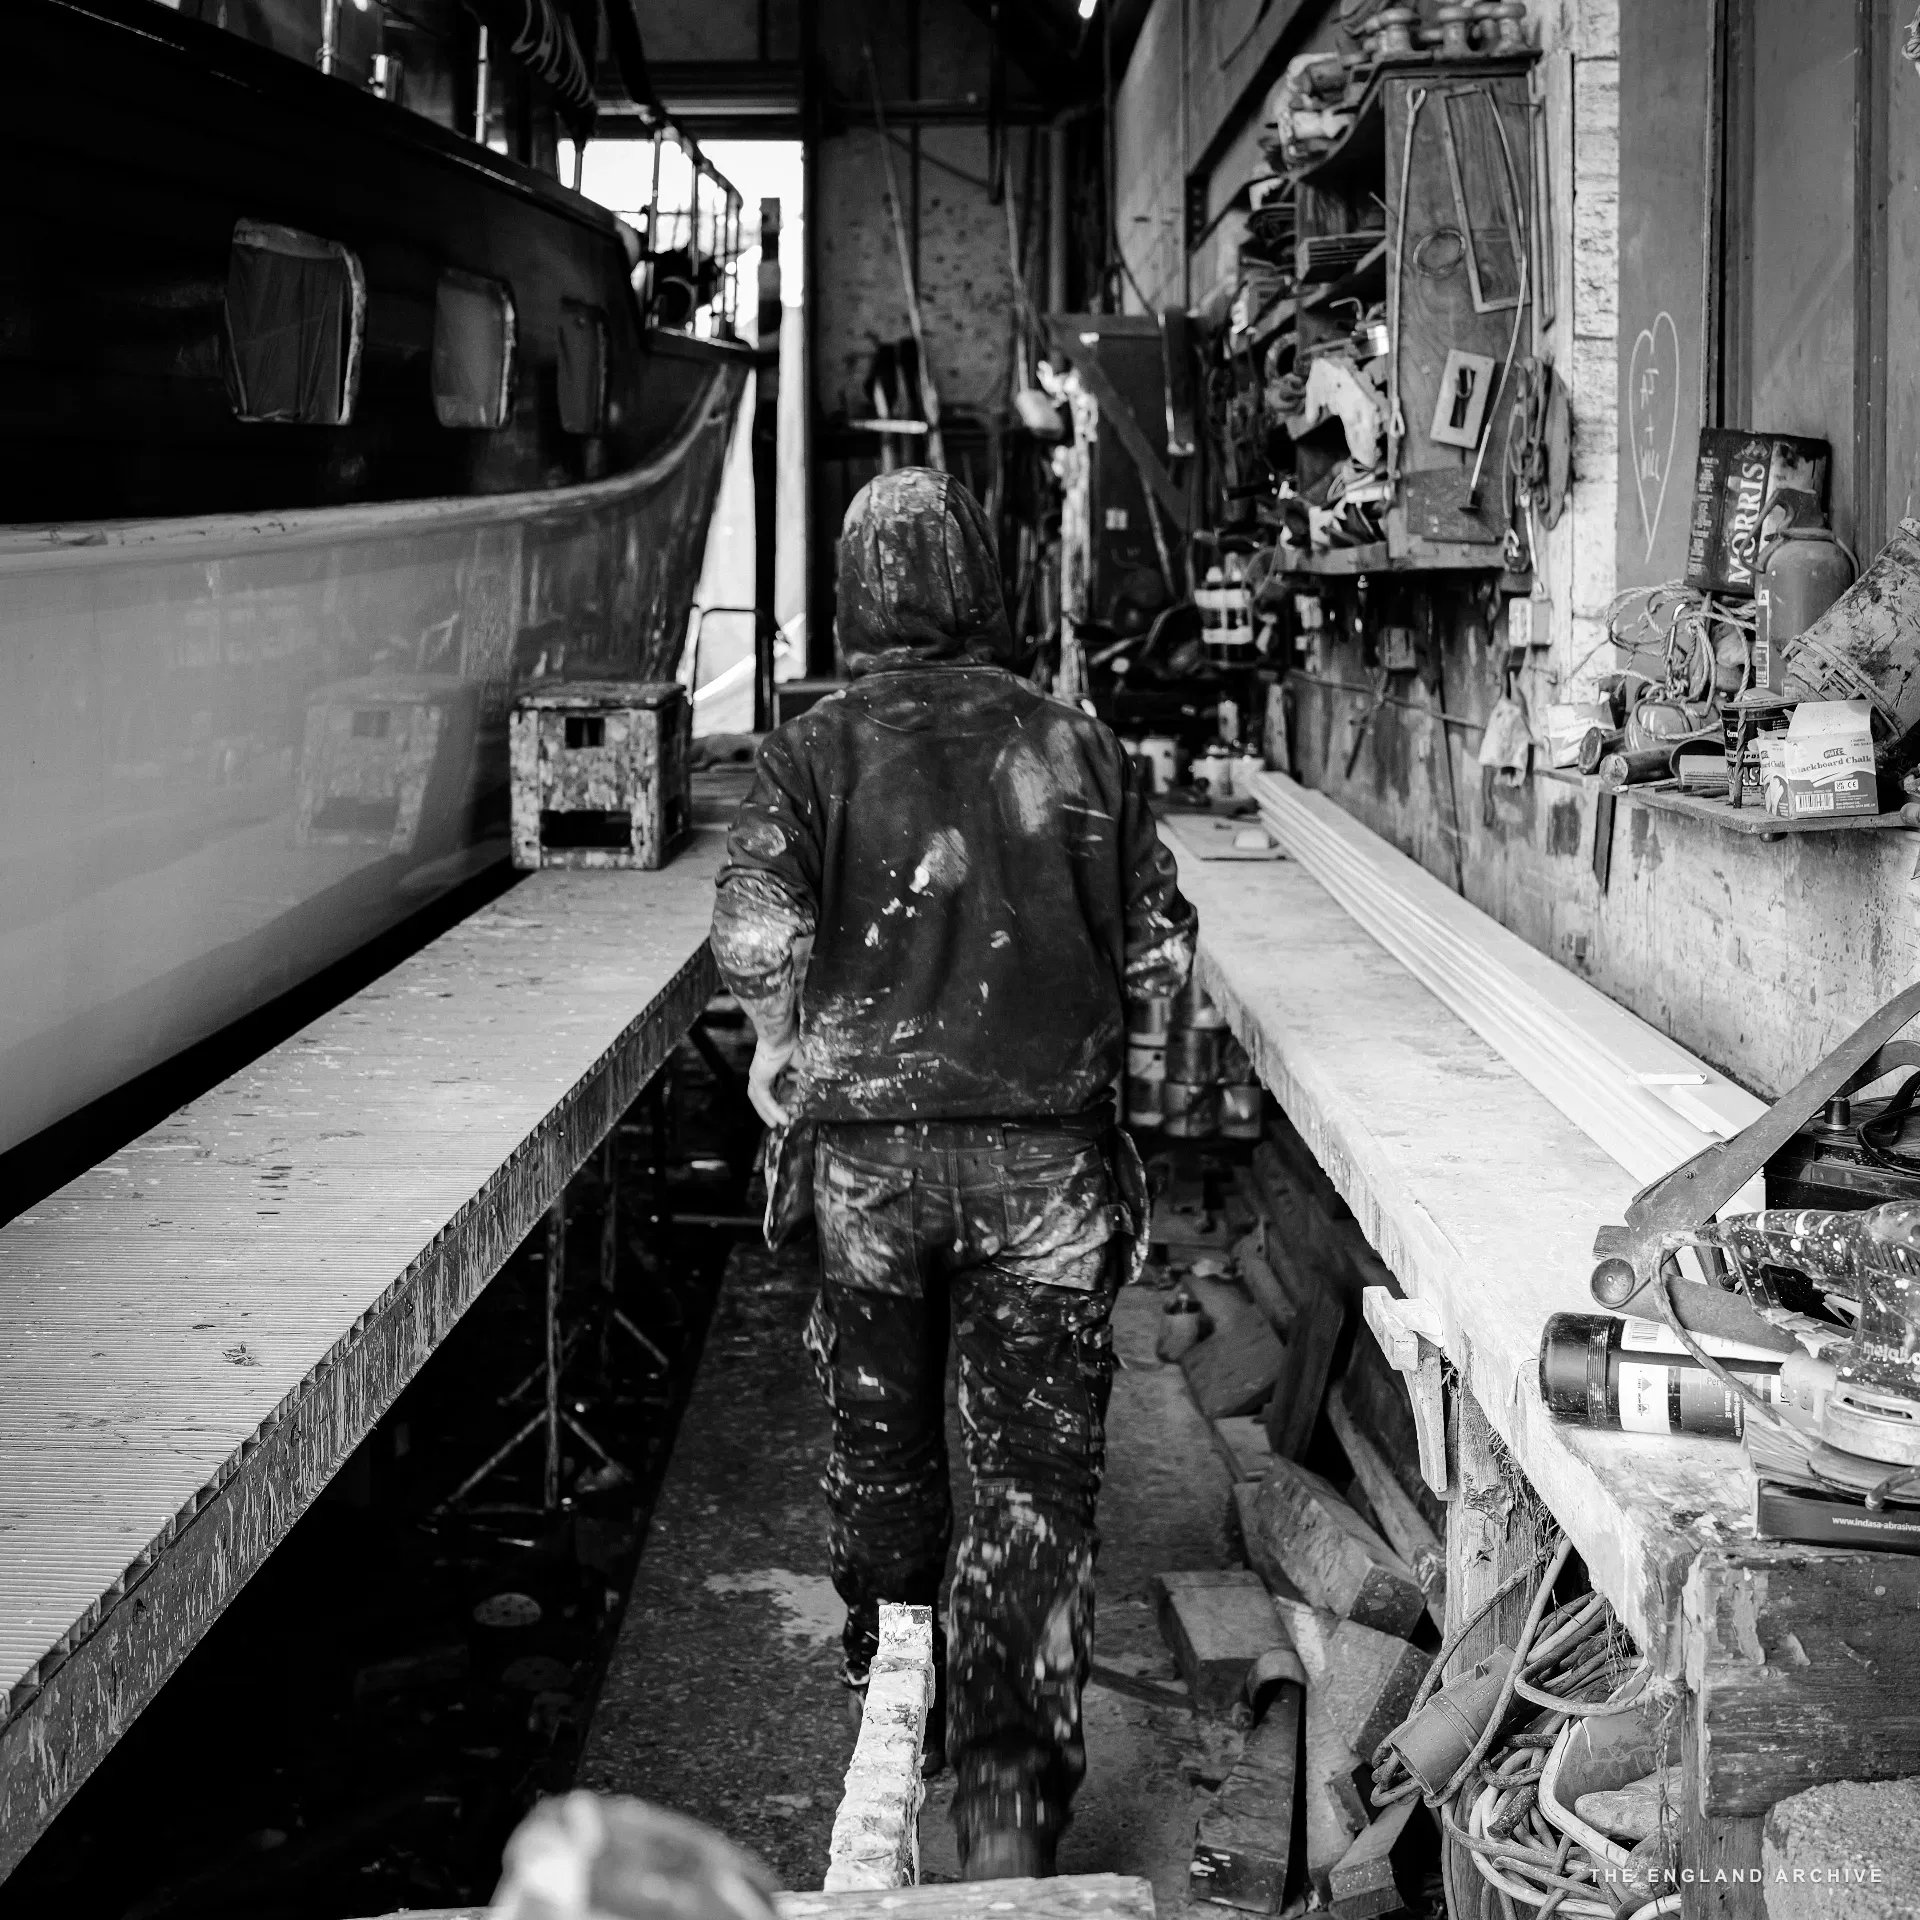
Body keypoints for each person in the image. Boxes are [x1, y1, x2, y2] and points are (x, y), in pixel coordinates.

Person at [708, 468, 1196, 1880]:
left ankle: (891, 1728)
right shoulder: (1080, 743)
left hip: (866, 1170)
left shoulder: (815, 750)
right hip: (1047, 1168)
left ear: (861, 596)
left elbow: (753, 937)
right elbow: (1162, 953)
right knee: (1036, 1482)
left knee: (884, 1446)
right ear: (983, 583)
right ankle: (1004, 1826)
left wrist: (781, 1046)